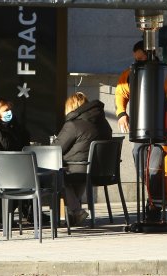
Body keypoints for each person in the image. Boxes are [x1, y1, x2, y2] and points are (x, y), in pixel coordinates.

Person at [115, 40, 167, 221]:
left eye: (141, 58)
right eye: (136, 59)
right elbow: (120, 92)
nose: (138, 62)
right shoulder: (131, 73)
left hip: (163, 132)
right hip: (140, 133)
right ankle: (154, 204)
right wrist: (121, 113)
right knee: (143, 171)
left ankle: (157, 206)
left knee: (154, 170)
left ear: (150, 54)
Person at [52, 92, 112, 226]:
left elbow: (56, 148)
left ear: (71, 107)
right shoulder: (104, 123)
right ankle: (73, 214)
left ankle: (76, 211)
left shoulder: (73, 125)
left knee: (57, 175)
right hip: (102, 172)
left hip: (79, 170)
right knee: (71, 175)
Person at [0, 98, 35, 225]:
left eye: (10, 109)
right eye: (6, 110)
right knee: (18, 183)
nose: (9, 112)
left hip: (17, 165)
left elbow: (24, 141)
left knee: (31, 179)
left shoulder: (15, 125)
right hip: (0, 168)